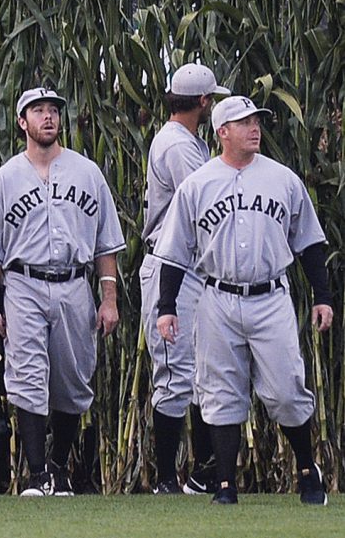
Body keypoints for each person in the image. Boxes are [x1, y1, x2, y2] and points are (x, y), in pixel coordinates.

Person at [155, 95, 333, 505]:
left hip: (270, 296)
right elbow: (175, 251)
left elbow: (309, 243)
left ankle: (308, 469)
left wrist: (322, 296)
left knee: (287, 390)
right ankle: (225, 486)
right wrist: (166, 307)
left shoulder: (282, 179)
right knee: (219, 394)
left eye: (257, 120)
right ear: (222, 132)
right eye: (244, 122)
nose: (254, 128)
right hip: (216, 296)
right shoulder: (198, 184)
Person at [0, 87, 126, 496]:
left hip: (75, 283)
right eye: (38, 111)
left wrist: (109, 298)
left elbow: (105, 244)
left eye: (53, 111)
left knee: (73, 381)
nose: (48, 117)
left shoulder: (87, 172)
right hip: (23, 283)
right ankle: (38, 475)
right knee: (26, 376)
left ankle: (59, 468)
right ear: (22, 122)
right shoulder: (4, 179)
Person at [140, 63, 230, 494]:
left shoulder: (184, 140)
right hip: (172, 265)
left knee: (199, 372)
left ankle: (202, 473)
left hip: (189, 267)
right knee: (175, 372)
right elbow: (204, 204)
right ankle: (165, 480)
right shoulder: (177, 144)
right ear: (203, 103)